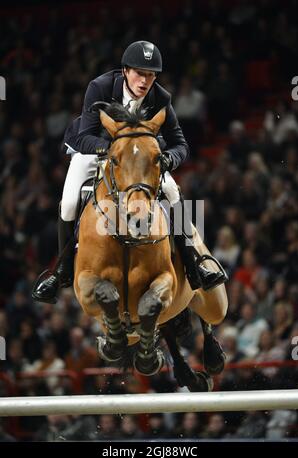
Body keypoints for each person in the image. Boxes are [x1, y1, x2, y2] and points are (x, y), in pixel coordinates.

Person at [32, 41, 227, 304]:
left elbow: (181, 144)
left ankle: (195, 265)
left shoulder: (161, 98)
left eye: (151, 75)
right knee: (68, 203)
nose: (145, 81)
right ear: (125, 71)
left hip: (140, 160)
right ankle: (62, 271)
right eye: (140, 73)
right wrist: (112, 151)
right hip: (96, 150)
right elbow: (84, 136)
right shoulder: (99, 87)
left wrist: (169, 158)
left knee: (172, 191)